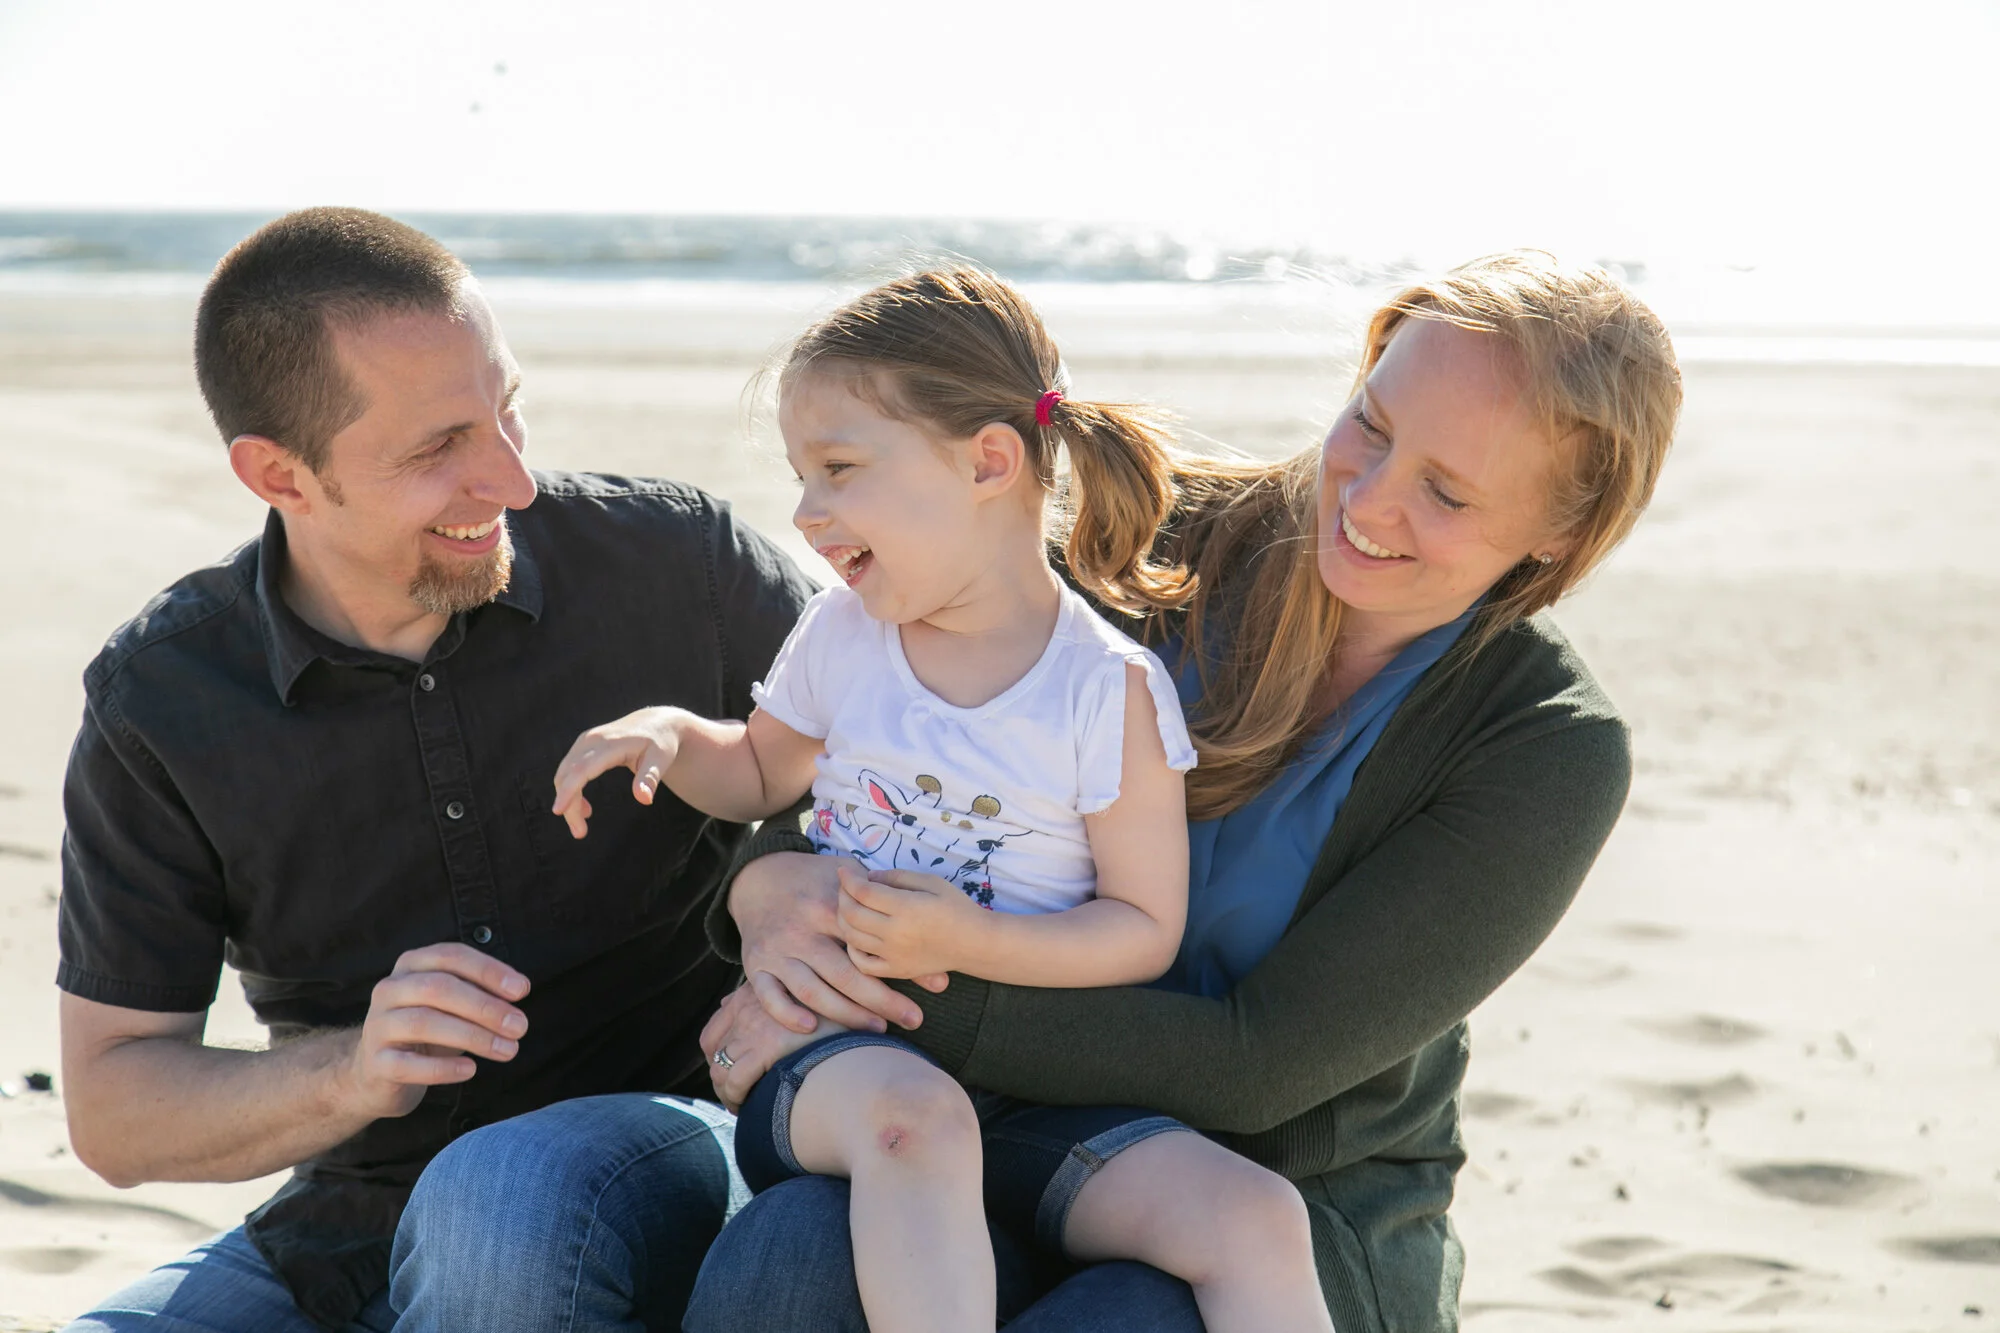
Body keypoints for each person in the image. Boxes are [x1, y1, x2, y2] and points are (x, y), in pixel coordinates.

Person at [692, 249, 1683, 1332]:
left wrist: (886, 973)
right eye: (1372, 425)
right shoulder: (1144, 538)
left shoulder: (1541, 749)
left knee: (1125, 1317)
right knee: (786, 1256)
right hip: (979, 1121)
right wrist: (773, 886)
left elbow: (1258, 1066)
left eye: (1444, 491)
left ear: (1560, 536)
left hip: (1282, 1208)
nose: (1368, 498)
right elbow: (873, 736)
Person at [53, 207, 816, 1332]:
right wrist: (352, 1069)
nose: (509, 481)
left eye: (508, 411)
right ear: (280, 475)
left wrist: (782, 883)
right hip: (350, 1225)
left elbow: (904, 755)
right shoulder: (163, 701)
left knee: (501, 1201)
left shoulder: (677, 564)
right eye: (437, 448)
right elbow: (118, 1107)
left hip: (683, 1148)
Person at [548, 269, 1334, 1332]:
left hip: (1038, 1103)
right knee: (920, 1122)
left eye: (837, 470)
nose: (805, 511)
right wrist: (673, 735)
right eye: (798, 476)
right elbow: (758, 773)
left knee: (1254, 1217)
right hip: (835, 1068)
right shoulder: (843, 636)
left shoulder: (1108, 691)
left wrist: (968, 936)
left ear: (989, 460)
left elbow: (1143, 929)